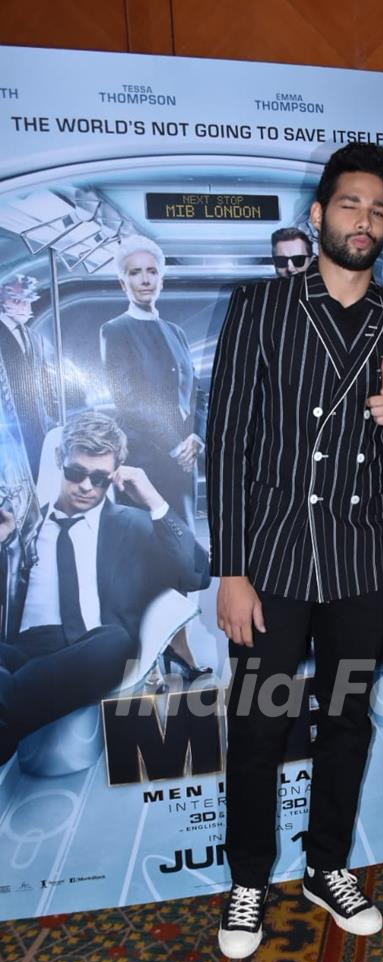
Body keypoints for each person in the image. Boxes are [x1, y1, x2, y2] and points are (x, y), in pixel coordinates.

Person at [206, 142, 383, 960]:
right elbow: (228, 445)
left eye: (379, 210)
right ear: (318, 215)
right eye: (350, 205)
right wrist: (230, 570)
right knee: (258, 724)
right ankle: (247, 879)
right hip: (271, 559)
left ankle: (326, 867)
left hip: (358, 560)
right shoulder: (260, 308)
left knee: (345, 718)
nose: (365, 222)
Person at [0, 411, 210, 765]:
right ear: (58, 461)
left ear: (115, 473)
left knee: (116, 641)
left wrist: (154, 501)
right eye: (75, 473)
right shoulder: (24, 524)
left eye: (98, 479)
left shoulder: (134, 524)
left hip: (95, 649)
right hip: (23, 652)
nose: (85, 486)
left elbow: (197, 574)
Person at [100, 235, 209, 680]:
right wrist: (172, 444)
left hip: (182, 466)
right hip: (144, 467)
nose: (145, 280)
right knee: (150, 564)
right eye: (135, 272)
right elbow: (127, 402)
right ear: (122, 281)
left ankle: (179, 650)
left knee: (182, 563)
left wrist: (196, 438)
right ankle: (156, 661)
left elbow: (195, 394)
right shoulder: (115, 330)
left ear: (161, 277)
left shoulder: (177, 331)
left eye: (152, 271)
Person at [0, 274, 58, 480]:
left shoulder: (35, 338)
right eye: (16, 300)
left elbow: (46, 384)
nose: (23, 306)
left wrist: (52, 420)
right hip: (8, 428)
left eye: (27, 300)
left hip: (38, 426)